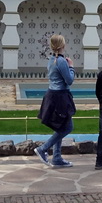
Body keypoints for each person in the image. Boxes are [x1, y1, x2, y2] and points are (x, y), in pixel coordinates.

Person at [35, 34, 75, 167]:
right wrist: (71, 67)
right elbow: (69, 80)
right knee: (68, 127)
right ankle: (43, 149)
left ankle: (57, 157)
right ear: (62, 45)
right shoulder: (62, 61)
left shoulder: (52, 59)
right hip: (60, 97)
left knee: (60, 126)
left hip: (53, 94)